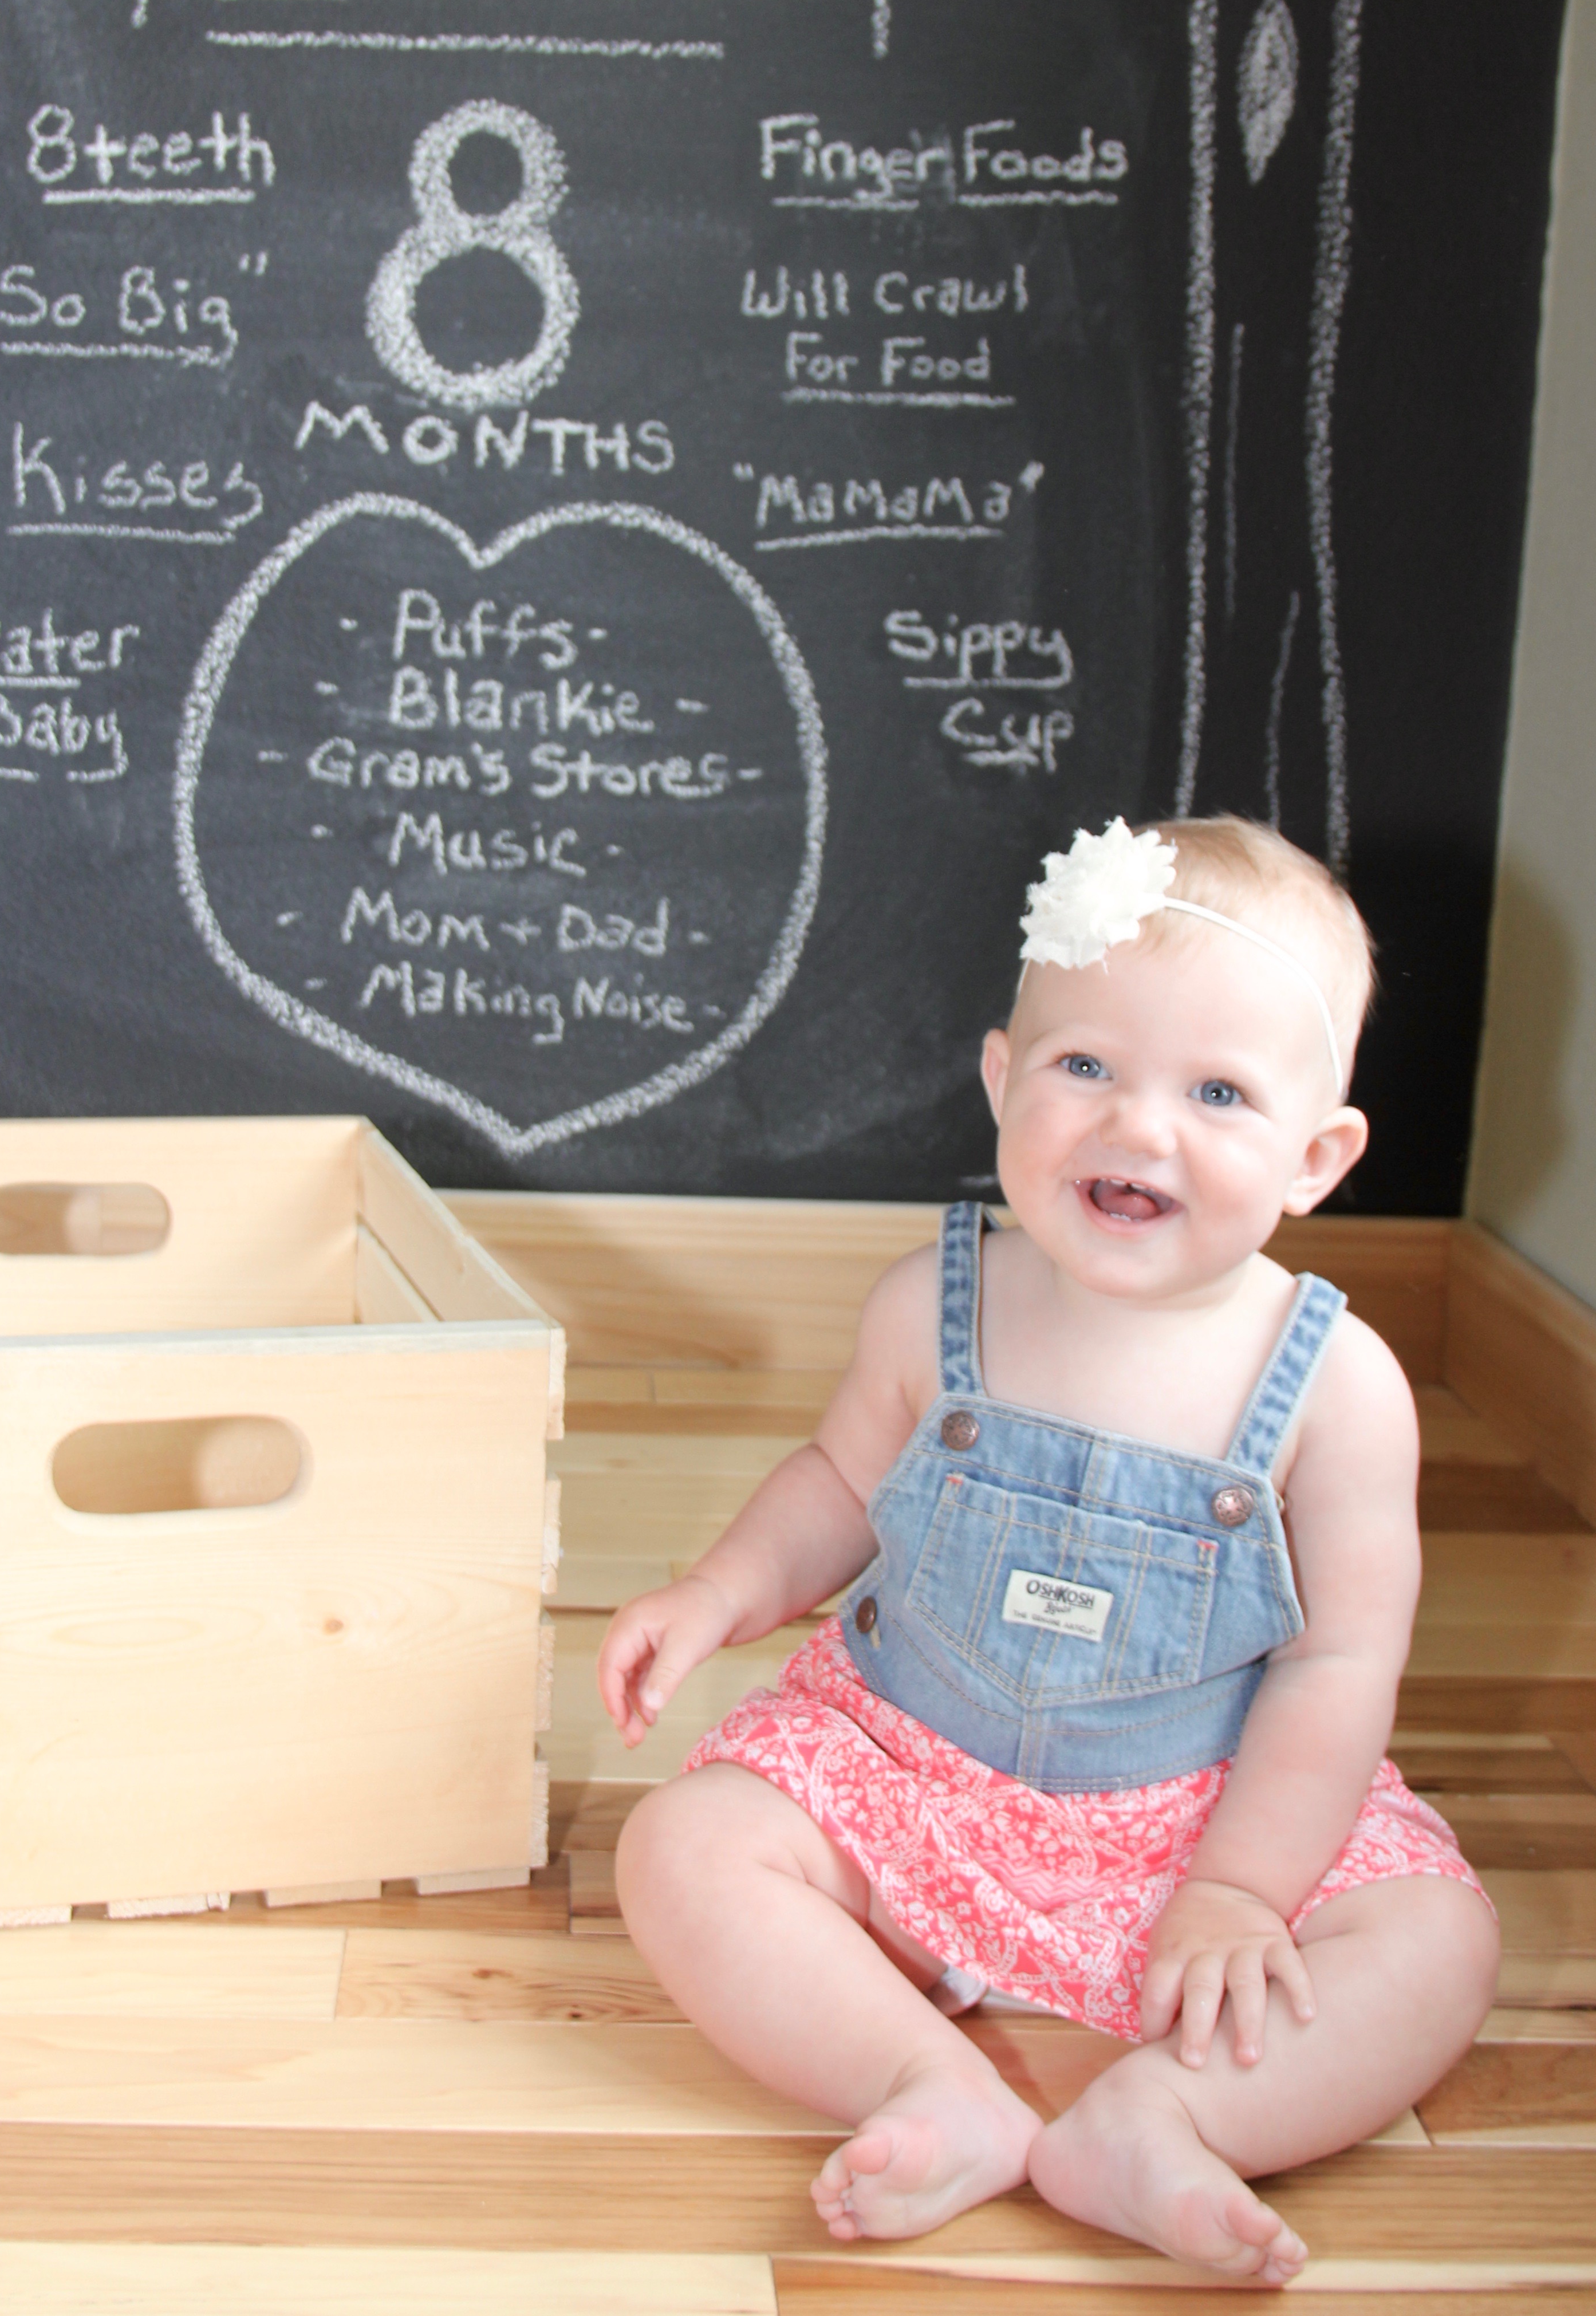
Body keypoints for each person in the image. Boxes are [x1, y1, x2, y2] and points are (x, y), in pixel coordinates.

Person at [598, 816, 1497, 2285]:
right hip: (912, 1776)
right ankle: (924, 2082)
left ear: (1315, 1156)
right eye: (1086, 1066)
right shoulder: (928, 1306)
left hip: (1204, 1816)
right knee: (681, 1847)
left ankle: (1159, 2120)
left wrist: (1241, 1888)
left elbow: (1338, 1663)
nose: (1138, 1128)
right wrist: (718, 1591)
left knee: (1437, 1946)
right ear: (1002, 1077)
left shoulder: (1338, 1388)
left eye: (1217, 1091)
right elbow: (838, 1481)